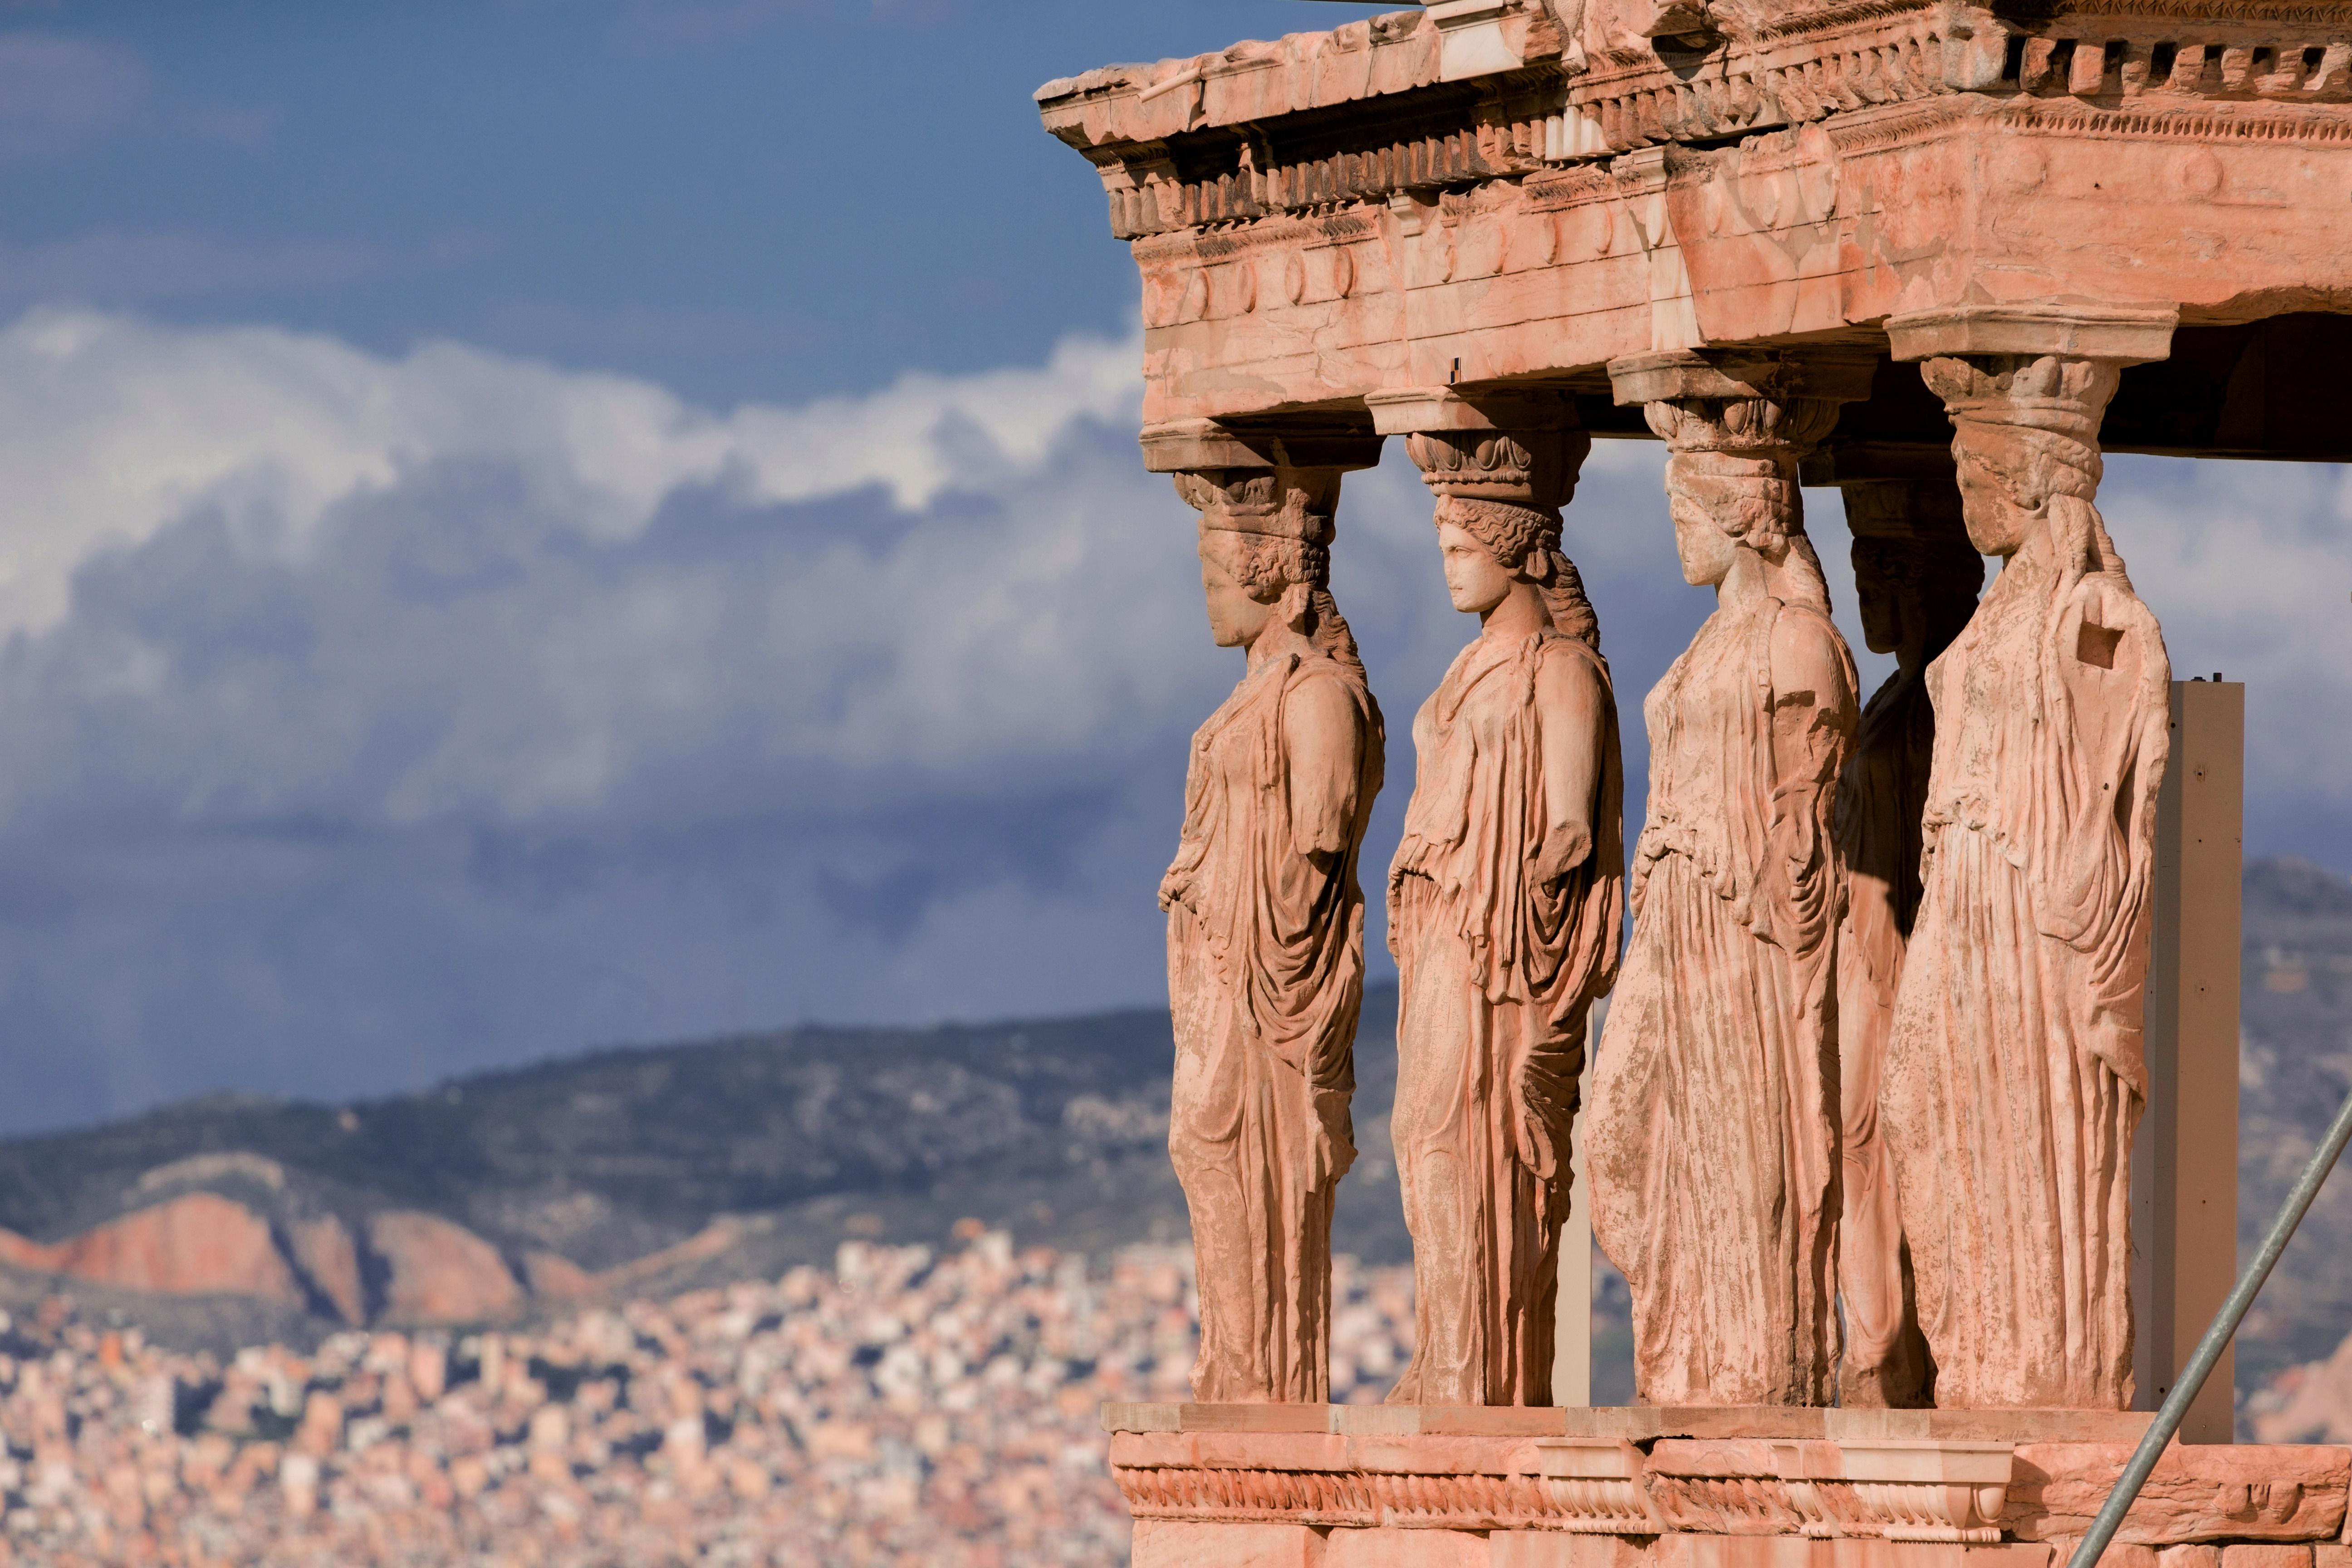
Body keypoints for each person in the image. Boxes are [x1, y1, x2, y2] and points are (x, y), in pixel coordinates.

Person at [1386, 491, 1622, 1406]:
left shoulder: (1559, 671)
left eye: (1461, 547)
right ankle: (1447, 1348)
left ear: (1517, 551)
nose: (1448, 565)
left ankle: (1481, 1367)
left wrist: (1510, 883)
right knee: (1424, 1136)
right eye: (1442, 545)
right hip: (1444, 936)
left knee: (1477, 1141)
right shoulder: (1465, 669)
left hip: (1502, 948)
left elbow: (1571, 826)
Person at [1160, 469, 1384, 1402]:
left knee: (1248, 1150)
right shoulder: (1255, 695)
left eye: (1219, 579)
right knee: (1203, 1146)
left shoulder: (1316, 693)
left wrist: (1241, 883)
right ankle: (1236, 1360)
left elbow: (1325, 826)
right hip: (1220, 963)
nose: (1207, 599)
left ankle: (1267, 1374)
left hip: (1273, 972)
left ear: (1268, 578)